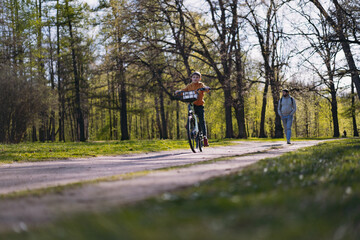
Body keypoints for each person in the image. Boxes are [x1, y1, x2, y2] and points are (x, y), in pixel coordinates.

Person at [176, 71, 211, 146]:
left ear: (199, 78)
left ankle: (205, 137)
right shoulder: (189, 86)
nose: (195, 78)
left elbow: (206, 89)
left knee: (202, 120)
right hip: (192, 104)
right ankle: (190, 124)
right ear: (191, 78)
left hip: (199, 105)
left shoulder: (201, 85)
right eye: (194, 77)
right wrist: (178, 92)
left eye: (197, 77)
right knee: (190, 114)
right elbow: (183, 90)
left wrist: (206, 89)